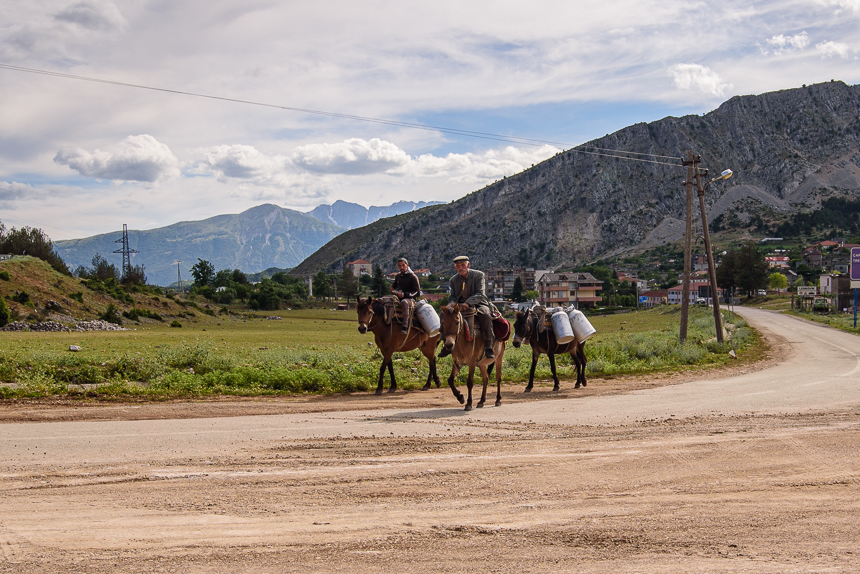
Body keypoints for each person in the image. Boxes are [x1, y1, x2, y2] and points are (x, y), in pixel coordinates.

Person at [442, 255, 496, 359]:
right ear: (455, 268)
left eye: (463, 265)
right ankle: (445, 343)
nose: (460, 268)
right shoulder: (453, 280)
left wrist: (468, 303)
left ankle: (488, 346)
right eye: (458, 266)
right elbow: (452, 296)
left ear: (468, 265)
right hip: (459, 306)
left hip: (479, 303)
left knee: (485, 314)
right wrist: (450, 305)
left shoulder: (479, 275)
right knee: (443, 315)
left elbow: (480, 293)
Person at [390, 257, 421, 334]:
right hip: (398, 298)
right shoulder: (398, 276)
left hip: (410, 300)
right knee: (386, 300)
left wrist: (404, 294)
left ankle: (405, 326)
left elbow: (417, 292)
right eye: (399, 266)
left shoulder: (413, 277)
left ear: (407, 265)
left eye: (403, 265)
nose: (401, 267)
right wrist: (393, 291)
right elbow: (392, 287)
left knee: (404, 302)